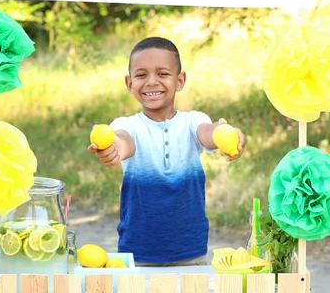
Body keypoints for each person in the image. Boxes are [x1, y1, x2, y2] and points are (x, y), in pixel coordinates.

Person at [87, 37, 246, 266]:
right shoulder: (127, 125)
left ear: (180, 80)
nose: (152, 82)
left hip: (191, 252)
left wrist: (225, 133)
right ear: (129, 83)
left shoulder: (193, 121)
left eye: (162, 74)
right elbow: (123, 142)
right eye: (141, 75)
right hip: (138, 252)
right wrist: (112, 149)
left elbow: (209, 135)